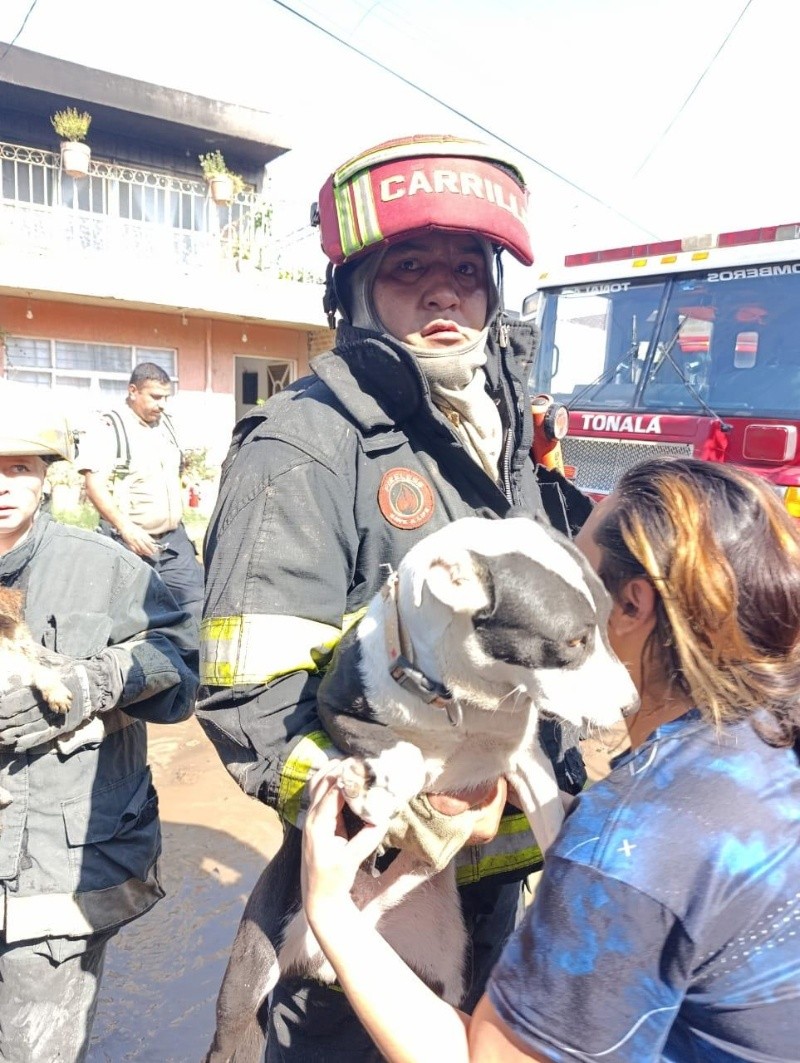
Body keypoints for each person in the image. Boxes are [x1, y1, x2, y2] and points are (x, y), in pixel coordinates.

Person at [197, 134, 591, 1058]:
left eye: (468, 268)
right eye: (410, 266)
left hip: (497, 902)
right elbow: (251, 701)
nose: (445, 291)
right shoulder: (302, 450)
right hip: (366, 920)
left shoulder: (506, 443)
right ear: (355, 294)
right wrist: (417, 811)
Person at [301, 455, 800, 1063]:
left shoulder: (628, 851)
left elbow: (488, 1060)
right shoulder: (771, 733)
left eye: (575, 574)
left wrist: (332, 913)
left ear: (632, 606)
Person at [0, 387, 199, 1062]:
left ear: (46, 475)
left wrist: (91, 685)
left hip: (60, 872)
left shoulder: (103, 566)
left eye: (19, 468)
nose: (3, 485)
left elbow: (179, 664)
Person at [78, 361, 204, 631]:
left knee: (196, 607)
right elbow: (94, 485)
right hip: (129, 542)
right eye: (155, 397)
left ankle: (192, 658)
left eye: (166, 397)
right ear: (133, 391)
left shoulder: (166, 424)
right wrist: (127, 528)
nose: (162, 404)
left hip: (173, 542)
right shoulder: (109, 427)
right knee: (135, 619)